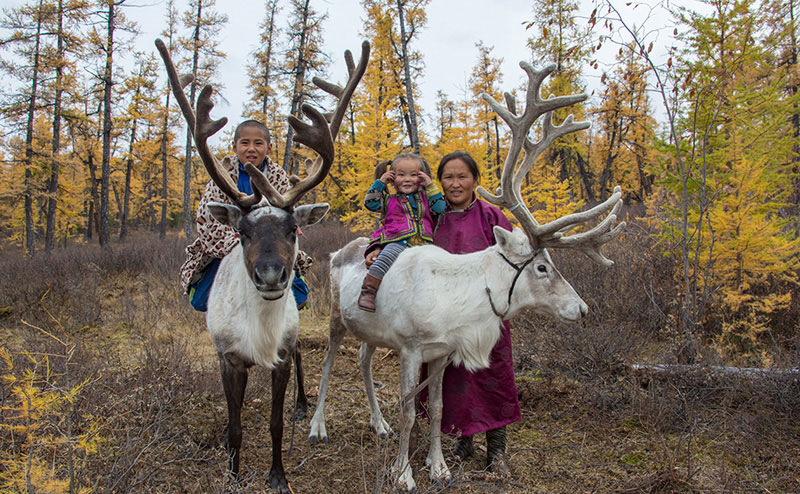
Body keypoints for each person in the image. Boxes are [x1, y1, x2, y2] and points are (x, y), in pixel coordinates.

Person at [419, 150, 521, 473]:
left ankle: (497, 451)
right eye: (448, 177)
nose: (455, 183)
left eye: (462, 176)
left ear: (475, 180)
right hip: (446, 318)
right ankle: (463, 442)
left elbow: (516, 260)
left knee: (494, 376)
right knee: (453, 380)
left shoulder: (492, 217)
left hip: (488, 315)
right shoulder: (435, 217)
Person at [179, 119, 312, 311]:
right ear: (234, 147)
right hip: (230, 247)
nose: (251, 149)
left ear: (269, 147)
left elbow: (287, 219)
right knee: (202, 300)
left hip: (270, 247)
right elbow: (207, 220)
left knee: (298, 297)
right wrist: (237, 244)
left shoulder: (278, 177)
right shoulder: (221, 177)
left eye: (258, 143)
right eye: (244, 143)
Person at [357, 153, 446, 311]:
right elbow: (370, 204)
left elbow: (440, 208)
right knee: (383, 260)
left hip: (425, 245)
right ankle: (368, 292)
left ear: (422, 177)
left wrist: (430, 185)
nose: (407, 179)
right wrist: (380, 183)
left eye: (414, 175)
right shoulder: (388, 200)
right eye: (401, 175)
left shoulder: (426, 197)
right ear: (392, 178)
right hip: (397, 242)